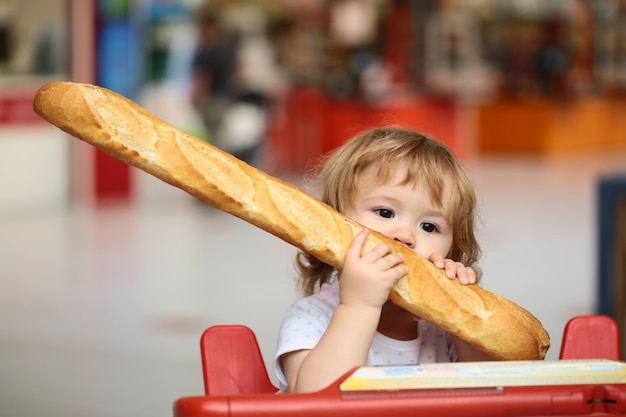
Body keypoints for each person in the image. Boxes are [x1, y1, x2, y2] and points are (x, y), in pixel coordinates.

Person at [273, 126, 492, 393]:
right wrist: (359, 306)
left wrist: (465, 320)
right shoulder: (312, 317)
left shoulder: (442, 329)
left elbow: (490, 392)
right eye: (385, 212)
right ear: (334, 224)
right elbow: (313, 399)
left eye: (429, 227)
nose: (406, 236)